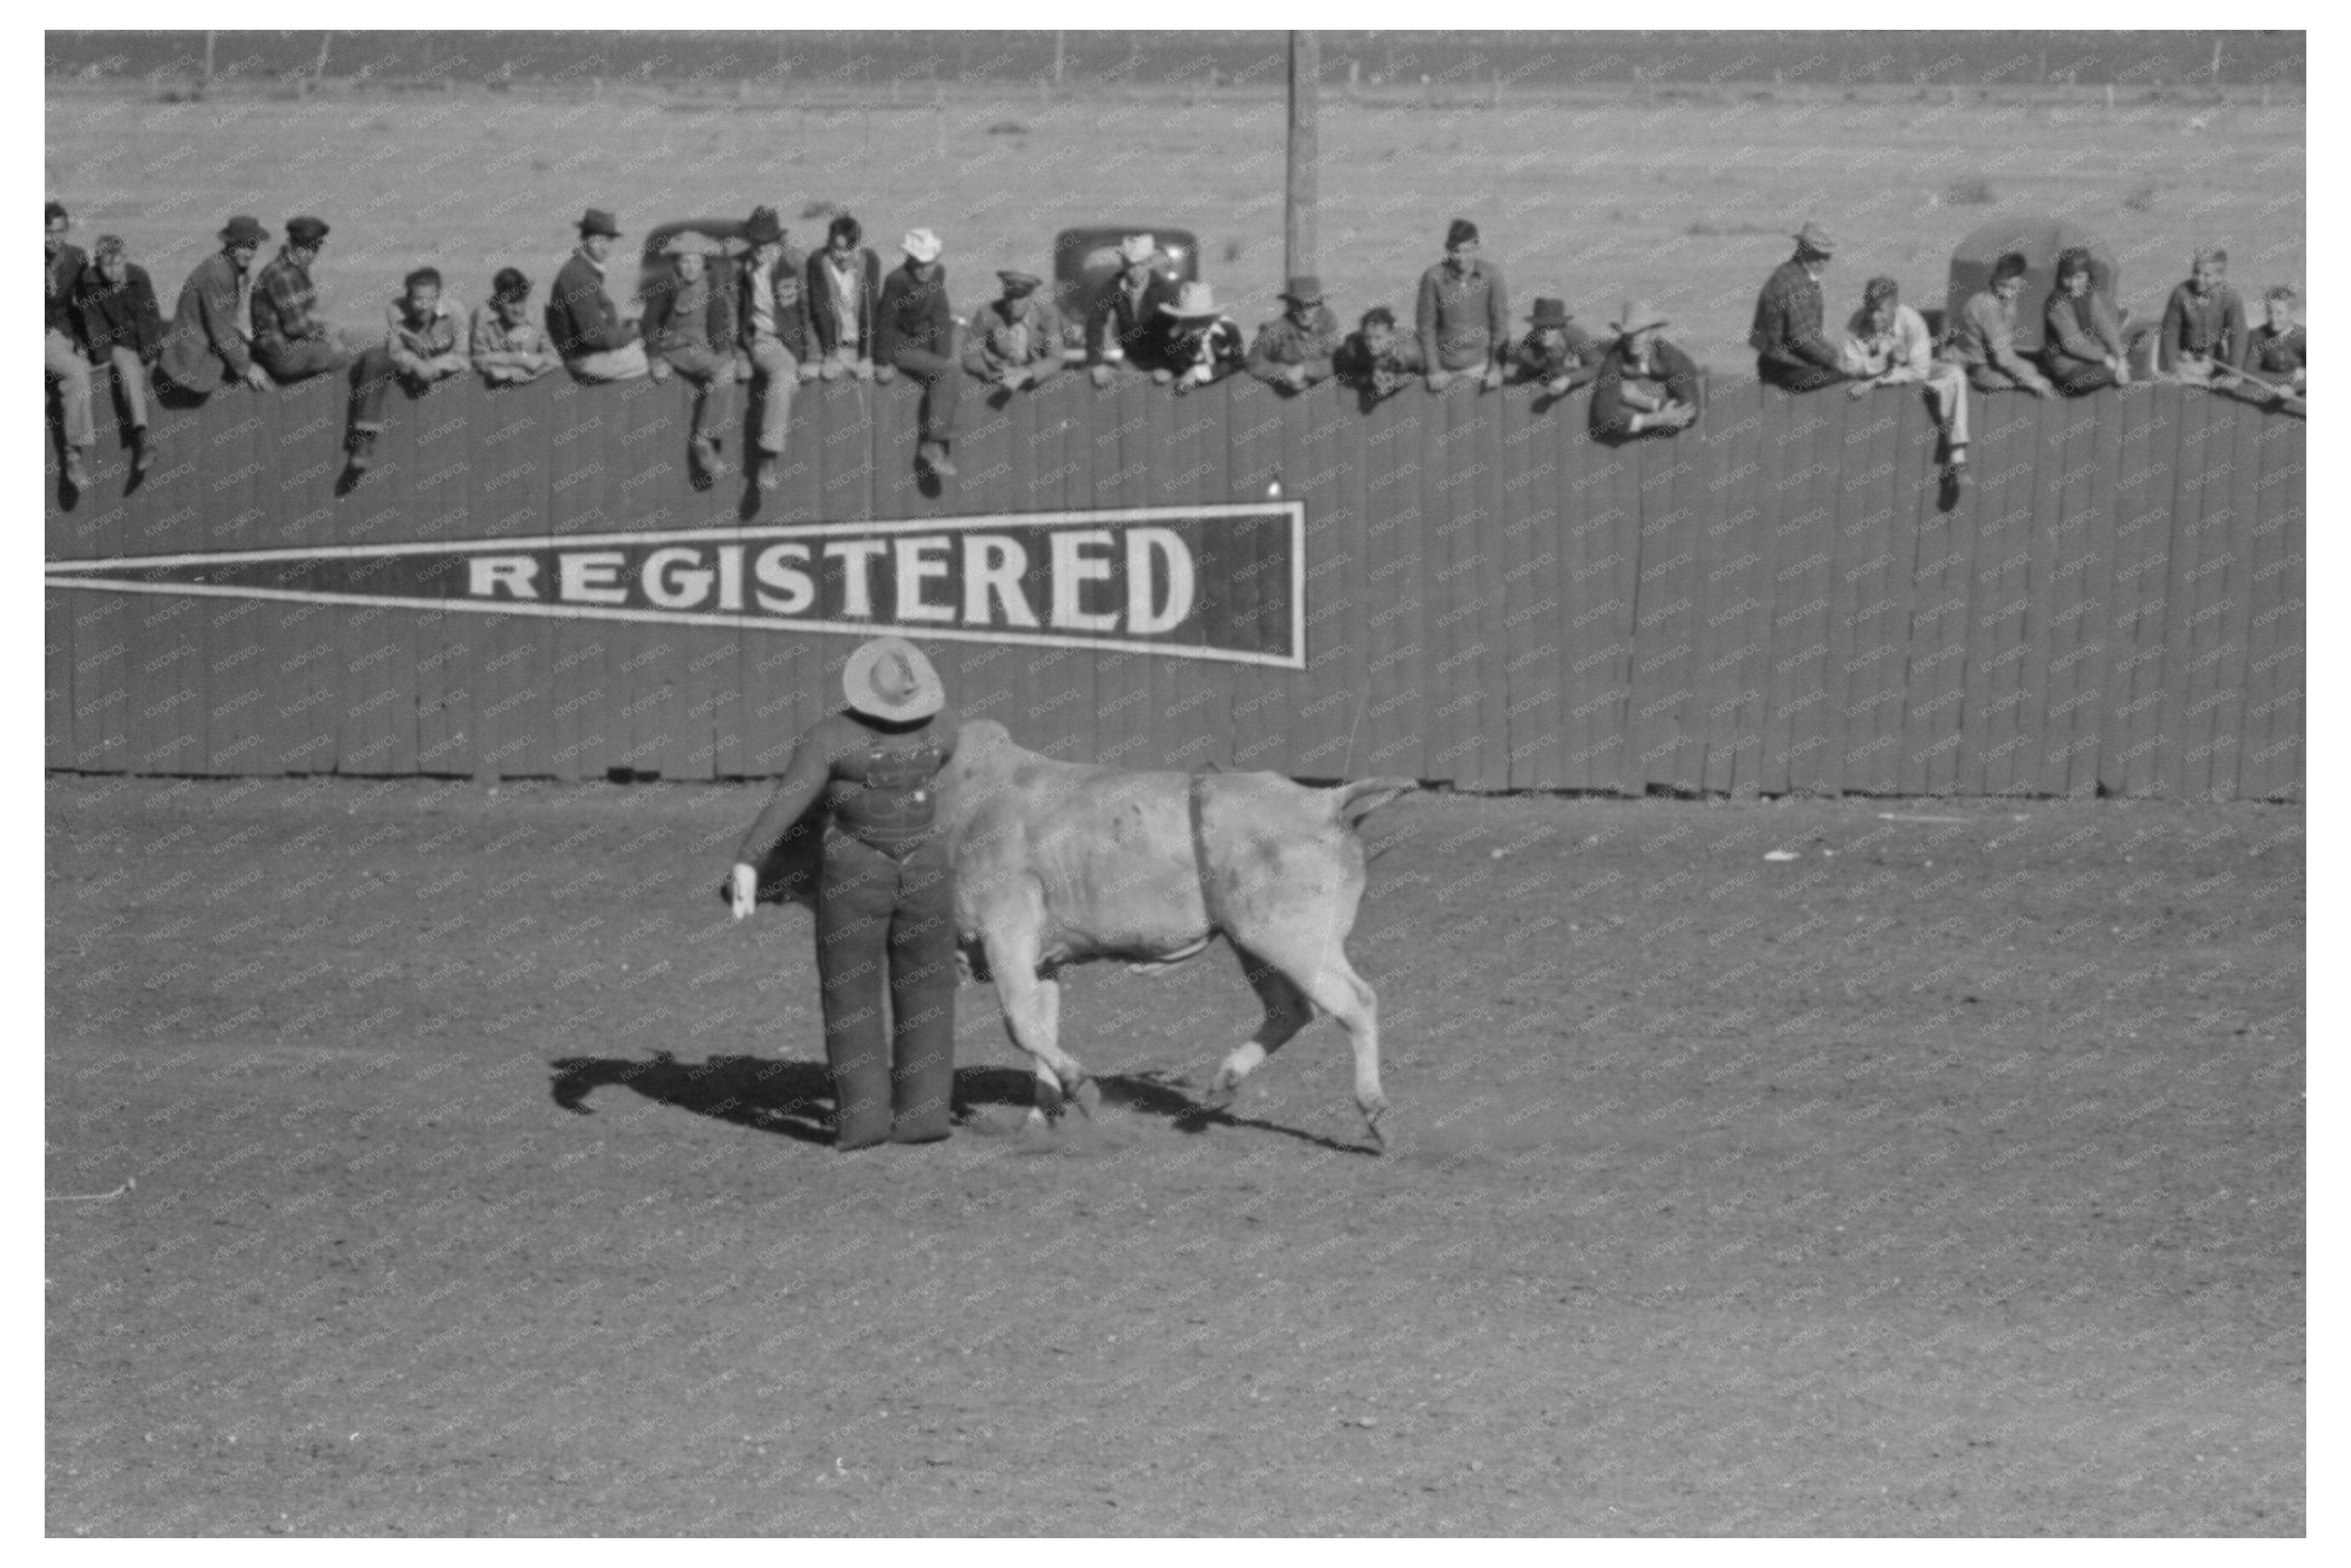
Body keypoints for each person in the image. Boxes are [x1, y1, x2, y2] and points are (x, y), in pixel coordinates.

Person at [727, 637, 961, 1152]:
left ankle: (863, 1122)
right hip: (927, 867)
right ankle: (924, 1115)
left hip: (858, 869)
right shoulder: (943, 731)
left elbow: (790, 801)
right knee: (928, 990)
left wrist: (749, 859)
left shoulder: (830, 737)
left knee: (851, 994)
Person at [1843, 274, 1972, 475]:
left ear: (1895, 305)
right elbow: (1851, 365)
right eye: (1870, 309)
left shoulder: (1912, 322)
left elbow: (1919, 371)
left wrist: (1874, 380)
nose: (1874, 317)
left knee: (1955, 373)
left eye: (1880, 310)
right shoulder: (1858, 322)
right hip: (1885, 374)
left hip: (1917, 369)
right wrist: (1882, 364)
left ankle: (1957, 451)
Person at [345, 267, 467, 480]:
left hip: (437, 370)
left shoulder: (456, 311)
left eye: (430, 299)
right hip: (407, 366)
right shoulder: (395, 309)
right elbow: (395, 350)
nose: (423, 306)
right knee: (373, 359)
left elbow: (463, 356)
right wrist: (417, 364)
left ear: (438, 297)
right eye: (417, 299)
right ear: (408, 296)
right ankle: (364, 441)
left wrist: (433, 366)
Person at [641, 230, 738, 479]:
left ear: (704, 262)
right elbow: (650, 324)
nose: (691, 268)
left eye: (696, 261)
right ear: (676, 263)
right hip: (677, 346)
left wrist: (725, 350)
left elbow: (718, 320)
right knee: (723, 371)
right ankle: (703, 439)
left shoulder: (712, 282)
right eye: (685, 261)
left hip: (704, 346)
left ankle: (708, 437)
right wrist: (655, 359)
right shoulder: (666, 284)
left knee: (728, 367)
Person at [70, 234, 165, 482]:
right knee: (130, 370)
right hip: (115, 344)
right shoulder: (90, 281)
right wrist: (101, 355)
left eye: (118, 264)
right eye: (107, 265)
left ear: (125, 260)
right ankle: (142, 439)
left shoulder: (138, 276)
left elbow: (150, 316)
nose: (114, 271)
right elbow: (94, 324)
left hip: (141, 340)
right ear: (98, 264)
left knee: (144, 361)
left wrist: (149, 352)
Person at [875, 228, 962, 476]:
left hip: (923, 344)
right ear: (910, 260)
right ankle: (933, 445)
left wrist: (944, 354)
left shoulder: (938, 274)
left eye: (930, 263)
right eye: (920, 264)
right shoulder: (896, 281)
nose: (926, 269)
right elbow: (885, 322)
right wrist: (882, 361)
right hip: (899, 345)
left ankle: (937, 443)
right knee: (949, 372)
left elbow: (940, 315)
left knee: (949, 368)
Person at [735, 205, 811, 489]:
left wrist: (813, 354)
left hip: (793, 342)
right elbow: (734, 314)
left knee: (789, 377)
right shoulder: (742, 268)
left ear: (777, 241)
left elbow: (809, 310)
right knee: (783, 375)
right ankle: (768, 454)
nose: (761, 249)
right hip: (763, 340)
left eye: (766, 243)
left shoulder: (794, 263)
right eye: (756, 242)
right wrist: (741, 352)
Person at [156, 214, 272, 400]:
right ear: (230, 244)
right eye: (243, 246)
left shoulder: (235, 270)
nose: (249, 253)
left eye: (253, 246)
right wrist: (247, 367)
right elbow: (220, 328)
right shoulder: (217, 273)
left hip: (209, 343)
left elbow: (229, 322)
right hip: (192, 358)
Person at [251, 215, 357, 383]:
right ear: (291, 243)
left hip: (276, 345)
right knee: (346, 357)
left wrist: (328, 331)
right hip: (281, 354)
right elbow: (296, 327)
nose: (310, 254)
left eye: (315, 248)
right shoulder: (285, 275)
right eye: (304, 248)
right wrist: (327, 334)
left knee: (340, 338)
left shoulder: (291, 266)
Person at [547, 207, 648, 381]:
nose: (605, 247)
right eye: (597, 241)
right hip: (584, 360)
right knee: (653, 357)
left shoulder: (584, 270)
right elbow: (596, 337)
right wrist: (632, 334)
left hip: (587, 355)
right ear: (584, 240)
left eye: (608, 241)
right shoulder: (580, 277)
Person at [1750, 221, 1848, 391]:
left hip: (1777, 362)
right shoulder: (1797, 283)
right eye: (1817, 254)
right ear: (1803, 249)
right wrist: (1835, 358)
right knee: (1852, 380)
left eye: (1826, 256)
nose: (1822, 261)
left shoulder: (1791, 273)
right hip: (1787, 367)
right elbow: (1803, 337)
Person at [1415, 217, 1508, 391]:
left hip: (1481, 366)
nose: (1461, 258)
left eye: (1467, 251)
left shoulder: (1492, 275)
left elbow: (1501, 323)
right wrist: (1434, 369)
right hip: (1445, 368)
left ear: (1476, 246)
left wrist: (1495, 368)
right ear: (1448, 248)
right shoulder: (1433, 277)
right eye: (1456, 251)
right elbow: (1426, 326)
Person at [1947, 251, 2058, 398]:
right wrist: (2032, 380)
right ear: (1994, 279)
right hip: (1974, 366)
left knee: (2032, 369)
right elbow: (2004, 358)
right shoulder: (1987, 305)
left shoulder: (2007, 302)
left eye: (2013, 287)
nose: (2007, 293)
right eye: (2002, 286)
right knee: (2020, 382)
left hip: (1992, 359)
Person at [1588, 301, 1701, 440]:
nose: (1634, 339)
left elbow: (1690, 410)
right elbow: (1605, 416)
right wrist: (1657, 419)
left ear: (1653, 334)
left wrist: (1642, 401)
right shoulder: (1616, 355)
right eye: (1628, 333)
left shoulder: (1674, 359)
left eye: (1640, 332)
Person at [1086, 232, 1179, 386]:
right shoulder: (1113, 286)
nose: (1134, 270)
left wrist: (1169, 366)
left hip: (1161, 363)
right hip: (1129, 360)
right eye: (1130, 265)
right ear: (1123, 263)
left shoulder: (1165, 291)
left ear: (1150, 263)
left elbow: (1177, 331)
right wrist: (1096, 363)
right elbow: (1096, 322)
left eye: (1140, 264)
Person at [46, 201, 94, 488]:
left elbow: (85, 304)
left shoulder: (76, 258)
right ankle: (73, 455)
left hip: (63, 334)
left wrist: (83, 340)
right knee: (77, 372)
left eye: (61, 231)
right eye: (47, 232)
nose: (54, 238)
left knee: (85, 366)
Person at [2039, 248, 2130, 394]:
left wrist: (2121, 357)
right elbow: (2073, 344)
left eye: (2079, 277)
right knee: (2112, 373)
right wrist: (2104, 358)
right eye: (2068, 278)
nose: (2074, 284)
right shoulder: (2057, 303)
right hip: (2067, 367)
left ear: (2088, 276)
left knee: (2125, 367)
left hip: (2089, 358)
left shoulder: (2090, 296)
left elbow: (2106, 326)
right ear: (2061, 277)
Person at [805, 213, 881, 382]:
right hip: (834, 345)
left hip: (861, 344)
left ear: (858, 247)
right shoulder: (818, 262)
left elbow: (869, 309)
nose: (842, 255)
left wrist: (866, 357)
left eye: (848, 250)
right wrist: (830, 354)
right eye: (836, 249)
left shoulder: (870, 261)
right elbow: (821, 310)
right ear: (829, 244)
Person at [962, 269, 1066, 394]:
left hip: (1036, 385)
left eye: (1021, 297)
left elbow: (1056, 357)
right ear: (1004, 294)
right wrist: (997, 373)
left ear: (1031, 295)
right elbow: (970, 355)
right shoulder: (987, 314)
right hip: (998, 384)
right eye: (1010, 297)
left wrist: (1026, 373)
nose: (1015, 303)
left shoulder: (1048, 315)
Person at [2157, 245, 2249, 383]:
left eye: (2207, 275)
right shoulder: (2181, 293)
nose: (2200, 279)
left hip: (2214, 360)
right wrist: (2172, 368)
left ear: (2220, 277)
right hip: (2185, 360)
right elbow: (2170, 332)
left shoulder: (2230, 296)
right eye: (2196, 272)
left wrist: (2235, 371)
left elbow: (2239, 334)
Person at [1245, 275, 1340, 394]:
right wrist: (1284, 372)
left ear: (1320, 306)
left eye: (1311, 306)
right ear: (1290, 305)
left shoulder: (1328, 322)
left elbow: (1336, 361)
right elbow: (1253, 364)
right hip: (1281, 398)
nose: (1306, 313)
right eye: (1299, 306)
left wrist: (1305, 370)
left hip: (1321, 396)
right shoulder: (1274, 330)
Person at [469, 267, 560, 386]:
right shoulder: (482, 316)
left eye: (521, 301)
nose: (518, 310)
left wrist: (531, 371)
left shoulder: (539, 312)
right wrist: (519, 359)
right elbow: (478, 359)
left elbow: (555, 359)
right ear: (499, 301)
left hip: (536, 385)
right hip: (495, 387)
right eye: (511, 303)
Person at [1158, 282, 1245, 394]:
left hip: (1225, 393)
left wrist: (1199, 372)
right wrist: (1169, 370)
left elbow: (1237, 362)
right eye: (1188, 318)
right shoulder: (1176, 334)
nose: (1192, 323)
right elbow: (1173, 364)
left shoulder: (1228, 328)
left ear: (1208, 315)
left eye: (1197, 318)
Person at [1508, 297, 1602, 397]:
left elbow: (1596, 366)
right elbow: (1524, 372)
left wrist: (1568, 378)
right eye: (1540, 328)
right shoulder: (1531, 341)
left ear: (1560, 327)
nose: (1545, 333)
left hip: (1583, 392)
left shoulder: (1576, 336)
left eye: (1551, 327)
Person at [1333, 305, 1424, 404]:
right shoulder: (1353, 347)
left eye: (1378, 338)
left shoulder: (1411, 352)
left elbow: (1425, 373)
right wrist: (1370, 378)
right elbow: (1346, 375)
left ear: (1392, 335)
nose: (1372, 344)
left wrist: (1397, 381)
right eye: (1368, 338)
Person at [2239, 284, 2306, 415]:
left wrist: (2294, 387)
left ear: (2292, 313)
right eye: (2270, 312)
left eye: (2279, 313)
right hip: (2269, 392)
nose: (2273, 318)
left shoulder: (2304, 337)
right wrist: (2289, 378)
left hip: (2300, 395)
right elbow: (2249, 373)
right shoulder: (2258, 335)